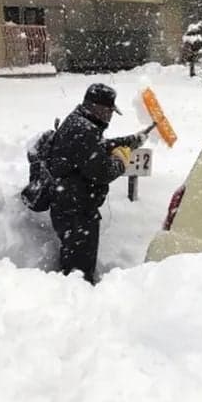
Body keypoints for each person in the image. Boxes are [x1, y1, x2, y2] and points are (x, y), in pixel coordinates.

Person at [47, 83, 146, 284]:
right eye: (109, 111)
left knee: (73, 265)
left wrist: (129, 141)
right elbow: (102, 172)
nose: (110, 116)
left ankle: (72, 294)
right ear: (97, 107)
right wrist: (121, 161)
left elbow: (97, 148)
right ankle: (78, 304)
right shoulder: (85, 130)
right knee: (79, 273)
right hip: (77, 213)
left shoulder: (80, 123)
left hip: (70, 206)